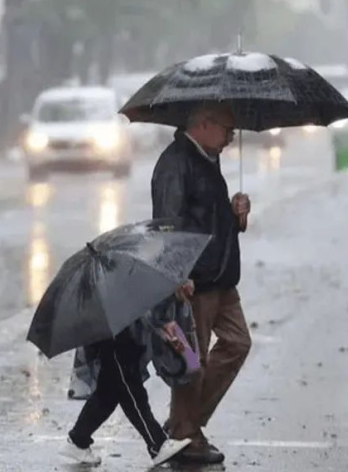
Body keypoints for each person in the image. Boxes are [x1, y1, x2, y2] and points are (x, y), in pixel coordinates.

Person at [150, 102, 252, 465]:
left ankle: (184, 423)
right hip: (196, 281)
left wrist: (235, 214)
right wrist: (178, 273)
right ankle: (185, 436)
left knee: (238, 343)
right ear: (204, 124)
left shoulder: (208, 158)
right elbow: (168, 224)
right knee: (194, 360)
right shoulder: (176, 163)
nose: (231, 137)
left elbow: (207, 217)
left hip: (221, 278)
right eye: (227, 129)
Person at [61, 300, 194, 467]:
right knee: (131, 389)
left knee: (107, 394)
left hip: (119, 329)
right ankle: (157, 444)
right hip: (113, 334)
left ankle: (78, 440)